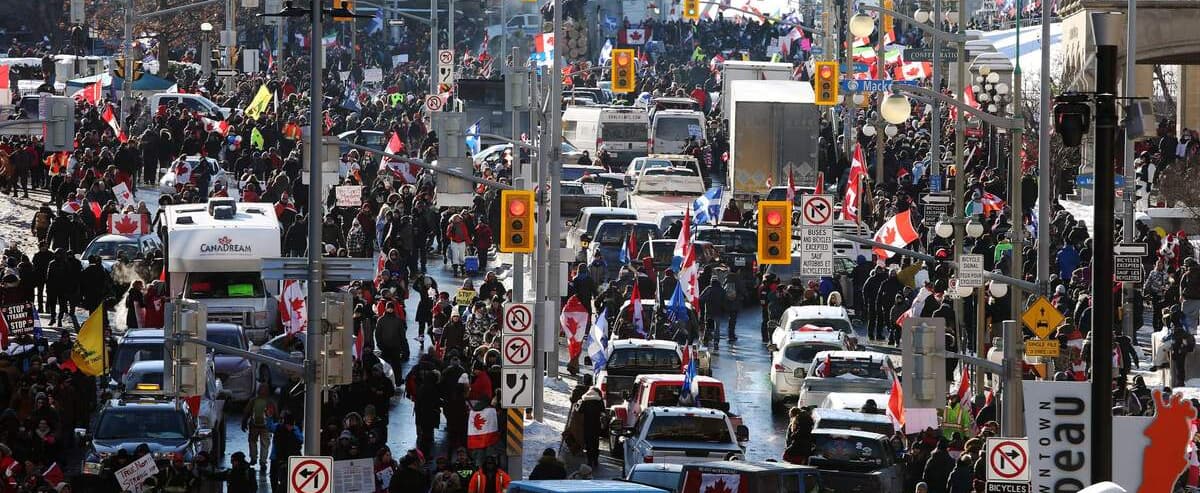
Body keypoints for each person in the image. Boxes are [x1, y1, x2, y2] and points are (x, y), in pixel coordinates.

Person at [242, 384, 277, 467]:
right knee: (265, 444)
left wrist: (244, 422)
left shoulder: (253, 401)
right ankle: (263, 461)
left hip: (254, 426)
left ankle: (253, 458)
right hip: (266, 427)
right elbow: (276, 415)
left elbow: (246, 412)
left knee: (252, 441)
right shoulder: (271, 402)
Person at [577, 387, 605, 469]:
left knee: (588, 443)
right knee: (595, 442)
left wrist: (577, 405)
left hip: (587, 424)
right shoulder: (599, 400)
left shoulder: (585, 400)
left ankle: (589, 460)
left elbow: (580, 410)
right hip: (596, 425)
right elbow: (603, 410)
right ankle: (595, 459)